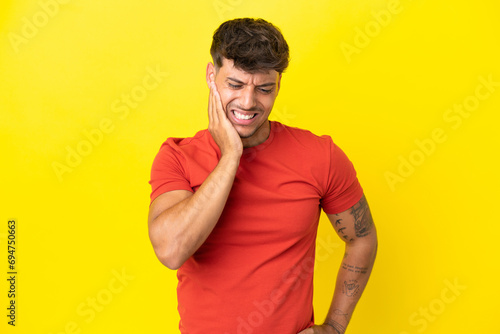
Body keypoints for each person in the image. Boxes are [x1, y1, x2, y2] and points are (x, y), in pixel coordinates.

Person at [148, 18, 377, 334]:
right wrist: (231, 156)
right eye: (235, 85)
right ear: (211, 77)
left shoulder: (319, 155)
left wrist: (335, 327)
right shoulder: (178, 156)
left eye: (264, 88)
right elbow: (171, 250)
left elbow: (362, 237)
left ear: (278, 84)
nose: (248, 102)